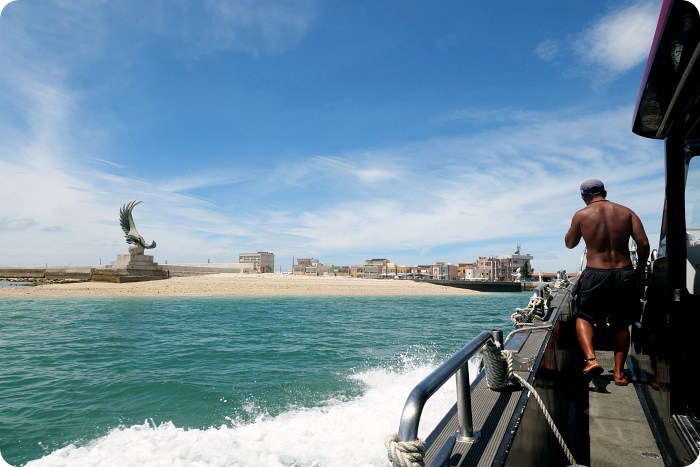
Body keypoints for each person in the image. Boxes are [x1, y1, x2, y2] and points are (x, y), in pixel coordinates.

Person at [565, 179, 650, 385]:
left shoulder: (582, 214)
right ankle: (620, 374)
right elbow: (644, 243)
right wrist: (639, 270)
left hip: (596, 272)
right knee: (622, 323)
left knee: (583, 316)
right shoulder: (627, 212)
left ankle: (592, 360)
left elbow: (570, 243)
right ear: (605, 192)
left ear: (584, 197)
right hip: (624, 273)